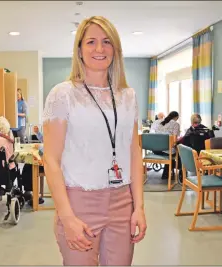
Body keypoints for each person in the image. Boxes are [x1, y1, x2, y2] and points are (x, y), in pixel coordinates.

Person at [43, 16, 146, 266]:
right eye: (91, 42)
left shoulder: (127, 96)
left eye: (106, 42)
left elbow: (134, 153)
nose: (99, 49)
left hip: (123, 200)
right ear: (79, 49)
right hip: (79, 202)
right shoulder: (63, 95)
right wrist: (67, 217)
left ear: (115, 49)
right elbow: (51, 159)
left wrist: (139, 207)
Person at [151, 111, 180, 180]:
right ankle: (178, 168)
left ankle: (167, 173)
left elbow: (151, 134)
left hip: (155, 149)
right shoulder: (175, 124)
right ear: (176, 117)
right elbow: (174, 140)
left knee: (170, 152)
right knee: (176, 151)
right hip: (167, 150)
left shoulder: (156, 122)